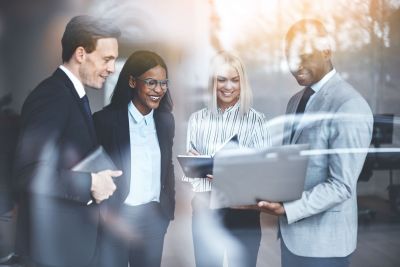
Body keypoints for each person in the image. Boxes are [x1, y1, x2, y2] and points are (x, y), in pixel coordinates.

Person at [256, 19, 373, 267]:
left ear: (327, 50)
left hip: (324, 247)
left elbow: (341, 186)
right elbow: (295, 162)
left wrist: (288, 209)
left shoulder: (349, 105)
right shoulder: (296, 100)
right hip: (292, 238)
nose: (294, 65)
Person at [13, 15, 122, 267]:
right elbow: (27, 172)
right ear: (81, 54)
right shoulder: (52, 96)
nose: (112, 68)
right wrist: (90, 183)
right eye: (107, 59)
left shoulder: (72, 95)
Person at [182, 51, 270, 267]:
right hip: (205, 210)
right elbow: (192, 177)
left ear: (242, 83)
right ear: (212, 81)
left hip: (243, 212)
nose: (227, 86)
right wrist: (195, 167)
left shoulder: (256, 121)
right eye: (221, 79)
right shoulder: (197, 120)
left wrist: (223, 174)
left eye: (234, 80)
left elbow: (264, 175)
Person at [93, 50, 175, 267]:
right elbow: (94, 169)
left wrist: (166, 211)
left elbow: (168, 166)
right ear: (132, 81)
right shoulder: (105, 121)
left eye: (163, 83)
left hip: (154, 219)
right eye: (151, 82)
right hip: (117, 218)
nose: (159, 90)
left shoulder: (166, 121)